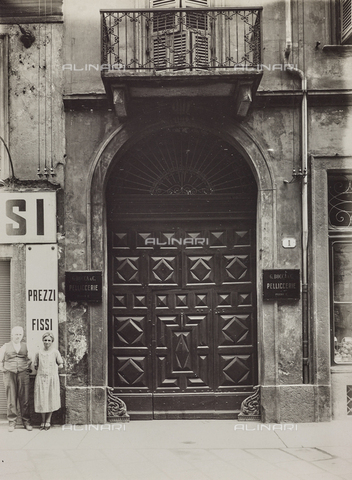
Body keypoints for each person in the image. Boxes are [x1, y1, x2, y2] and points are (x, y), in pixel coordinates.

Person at [0, 326, 33, 432]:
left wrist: (26, 367)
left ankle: (26, 421)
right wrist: (3, 369)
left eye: (19, 334)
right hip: (9, 374)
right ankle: (12, 422)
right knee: (11, 397)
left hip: (23, 374)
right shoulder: (5, 346)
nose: (18, 336)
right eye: (16, 334)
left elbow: (30, 359)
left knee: (25, 398)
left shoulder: (26, 346)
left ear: (22, 335)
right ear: (12, 335)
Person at [34, 332, 63, 430]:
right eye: (45, 340)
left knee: (51, 398)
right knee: (42, 399)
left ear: (52, 342)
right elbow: (35, 364)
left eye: (49, 340)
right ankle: (42, 420)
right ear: (43, 341)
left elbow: (61, 364)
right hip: (41, 379)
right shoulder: (38, 353)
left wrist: (55, 368)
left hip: (52, 379)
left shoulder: (55, 352)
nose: (47, 342)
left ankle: (48, 420)